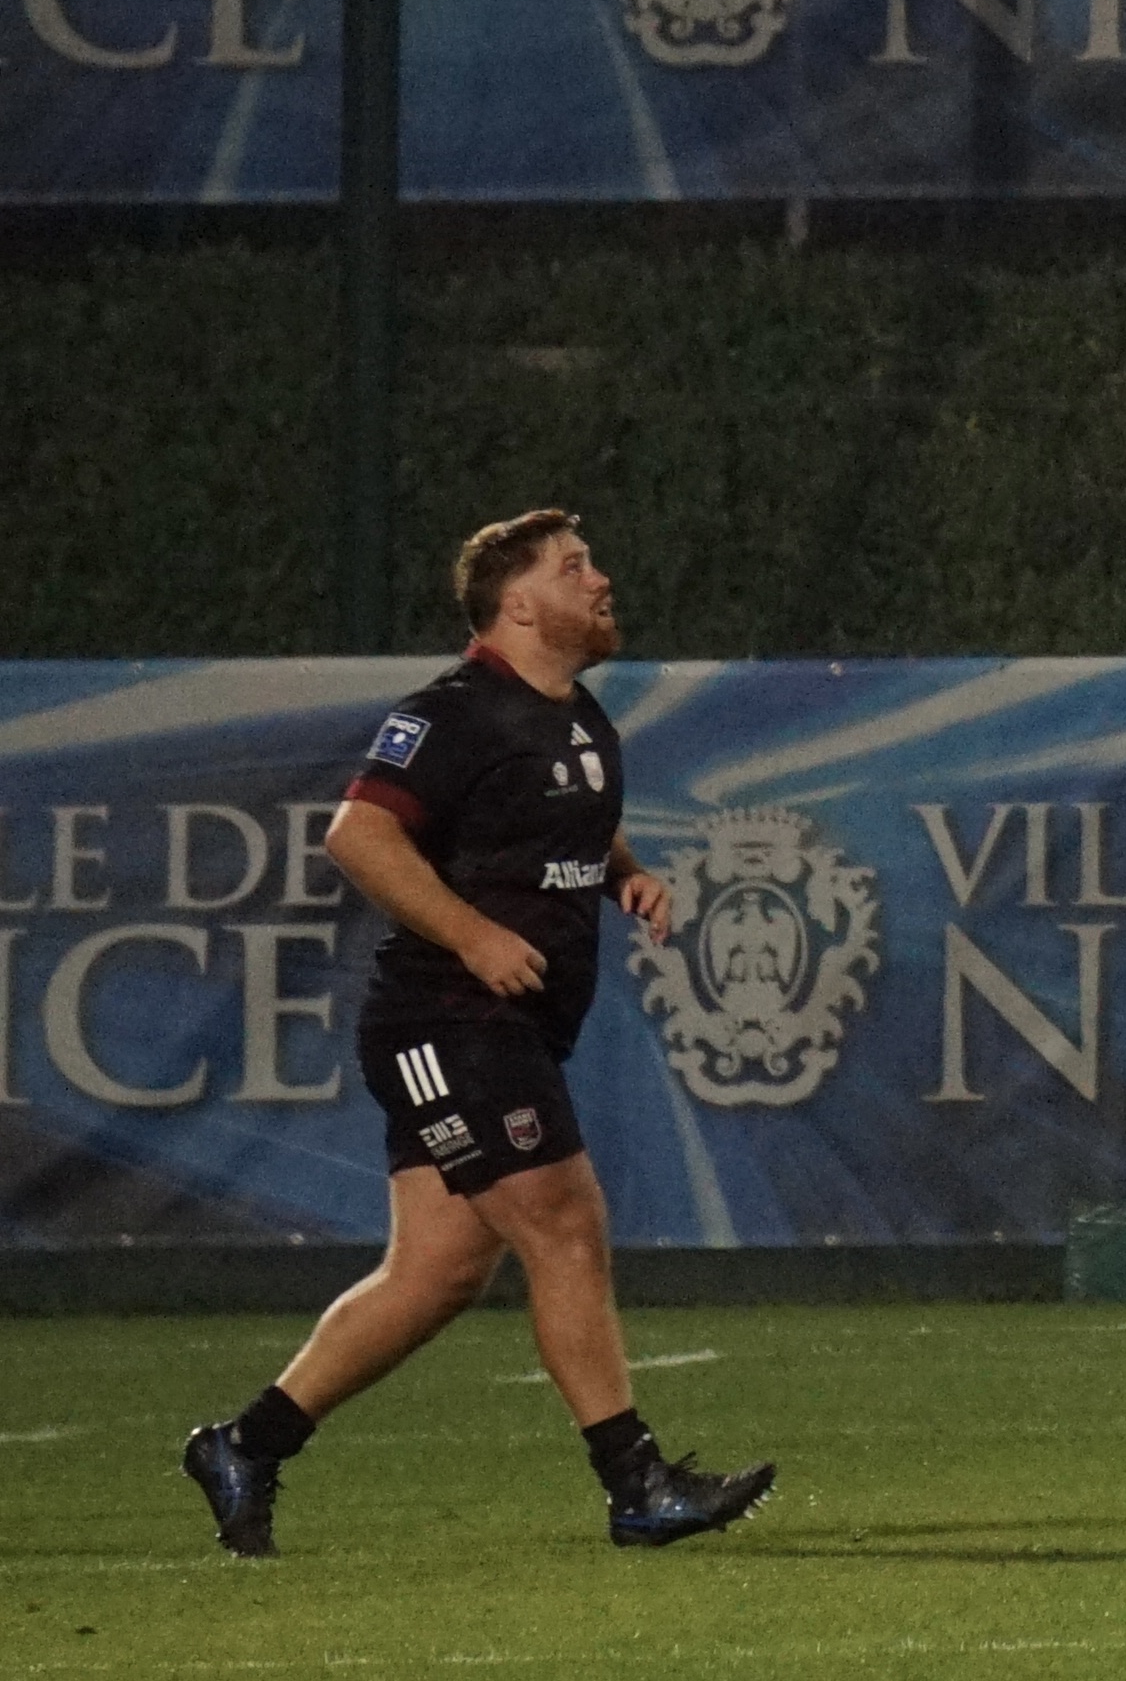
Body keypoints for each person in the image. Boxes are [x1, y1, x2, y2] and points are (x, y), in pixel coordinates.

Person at [181, 512, 771, 1560]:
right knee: (564, 1219)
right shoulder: (452, 715)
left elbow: (574, 822)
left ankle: (244, 1444)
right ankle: (635, 1482)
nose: (601, 579)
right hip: (444, 1018)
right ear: (518, 604)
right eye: (574, 567)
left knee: (439, 1275)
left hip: (507, 1025)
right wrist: (473, 933)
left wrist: (626, 871)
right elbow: (358, 832)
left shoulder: (578, 719)